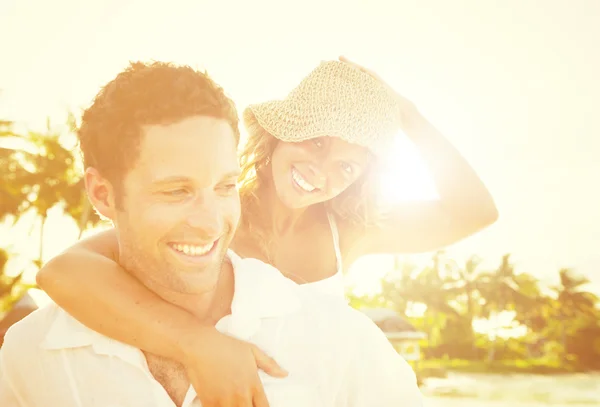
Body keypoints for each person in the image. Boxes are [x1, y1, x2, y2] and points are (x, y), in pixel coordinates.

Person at [35, 57, 498, 405]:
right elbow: (63, 272)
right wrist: (196, 343)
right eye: (315, 142)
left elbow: (475, 212)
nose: (321, 170)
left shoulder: (349, 233)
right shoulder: (213, 218)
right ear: (279, 133)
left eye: (347, 165)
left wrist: (404, 112)